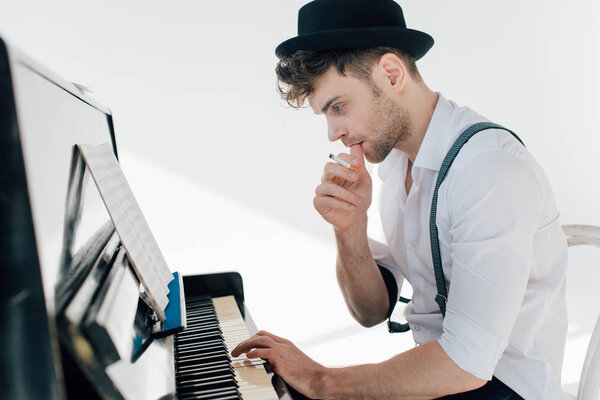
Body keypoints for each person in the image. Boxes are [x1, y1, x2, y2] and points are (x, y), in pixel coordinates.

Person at [231, 0, 571, 398]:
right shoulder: (394, 164)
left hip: (502, 387)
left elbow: (467, 364)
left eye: (338, 107)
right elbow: (372, 311)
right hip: (447, 378)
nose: (333, 133)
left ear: (391, 74)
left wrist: (322, 380)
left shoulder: (488, 169)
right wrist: (350, 228)